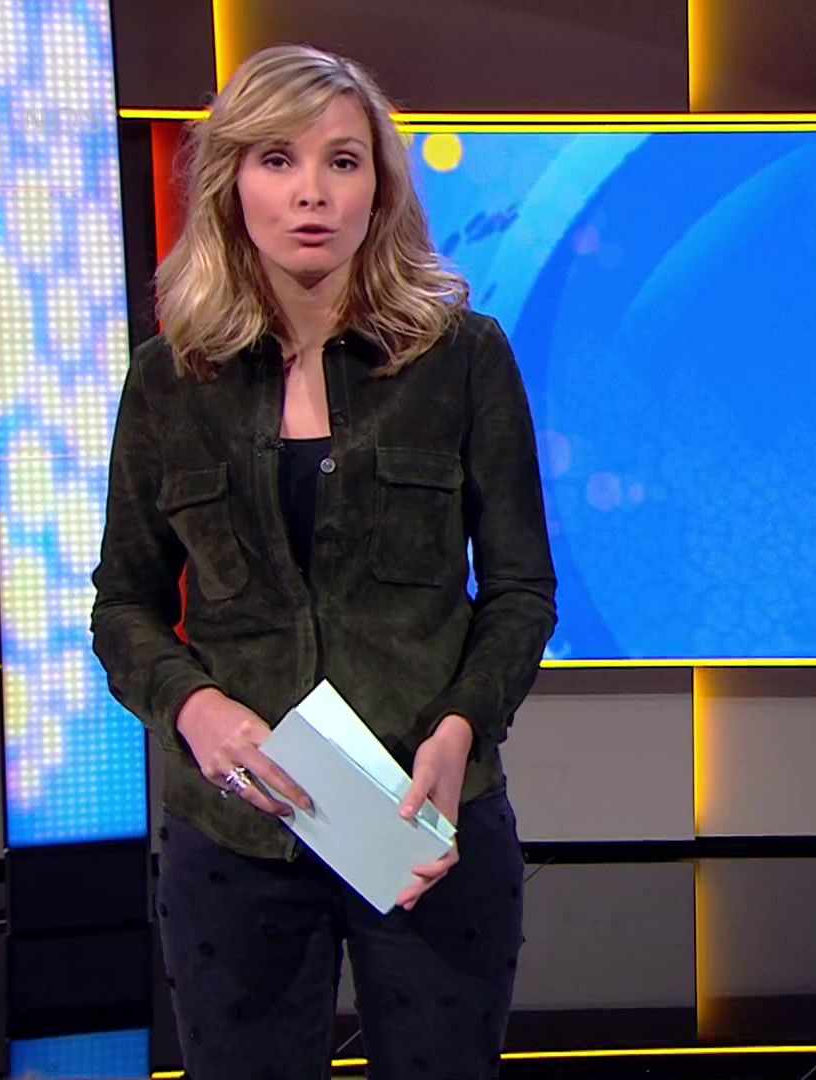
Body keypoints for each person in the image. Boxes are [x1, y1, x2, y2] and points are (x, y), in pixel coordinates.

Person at [89, 43, 556, 1080]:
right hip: (235, 842)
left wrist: (463, 727)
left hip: (424, 820)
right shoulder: (169, 381)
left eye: (342, 161)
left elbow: (521, 590)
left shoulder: (464, 358)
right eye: (278, 160)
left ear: (379, 188)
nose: (312, 192)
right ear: (230, 182)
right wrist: (195, 710)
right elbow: (122, 604)